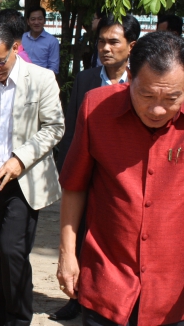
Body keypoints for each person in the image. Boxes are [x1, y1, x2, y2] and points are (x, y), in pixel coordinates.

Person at [57, 31, 184, 326]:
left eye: (172, 98)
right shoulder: (97, 108)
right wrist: (67, 254)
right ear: (130, 76)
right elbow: (75, 186)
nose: (157, 109)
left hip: (173, 289)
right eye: (147, 95)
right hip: (108, 278)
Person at [0, 19, 64, 326]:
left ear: (16, 48)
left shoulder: (41, 78)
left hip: (24, 179)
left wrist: (19, 160)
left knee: (12, 249)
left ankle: (19, 318)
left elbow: (54, 127)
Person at [50, 13, 139, 321]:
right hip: (86, 170)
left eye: (113, 42)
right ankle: (77, 297)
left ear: (131, 46)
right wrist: (67, 170)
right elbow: (73, 129)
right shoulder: (86, 80)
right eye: (101, 42)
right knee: (79, 232)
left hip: (121, 176)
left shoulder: (140, 82)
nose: (105, 48)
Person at [21, 6, 60, 74]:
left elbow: (53, 68)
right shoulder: (21, 38)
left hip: (41, 78)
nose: (36, 22)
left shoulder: (52, 41)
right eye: (33, 19)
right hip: (21, 77)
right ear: (28, 21)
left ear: (44, 20)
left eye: (40, 19)